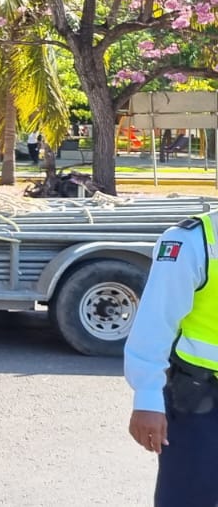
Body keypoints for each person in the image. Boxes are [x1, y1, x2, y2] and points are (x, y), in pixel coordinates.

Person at [124, 210, 218, 505]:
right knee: (188, 498)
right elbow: (155, 324)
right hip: (200, 400)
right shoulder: (193, 241)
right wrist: (148, 396)